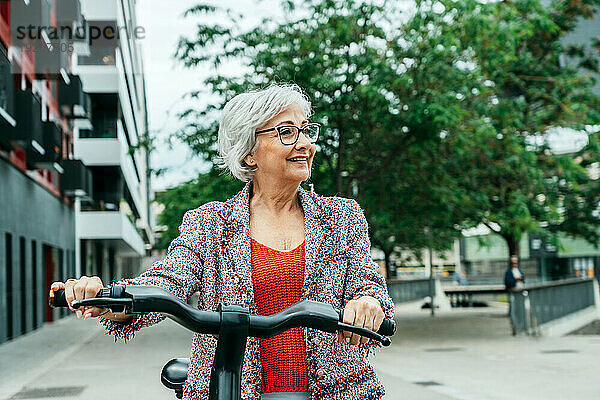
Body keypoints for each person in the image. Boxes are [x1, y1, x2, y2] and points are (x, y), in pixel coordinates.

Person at [50, 84, 394, 400]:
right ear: (249, 154)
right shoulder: (210, 224)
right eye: (287, 133)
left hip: (337, 389)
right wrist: (110, 298)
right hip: (233, 388)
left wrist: (368, 302)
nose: (305, 143)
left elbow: (369, 283)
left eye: (306, 131)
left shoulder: (342, 217)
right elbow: (167, 283)